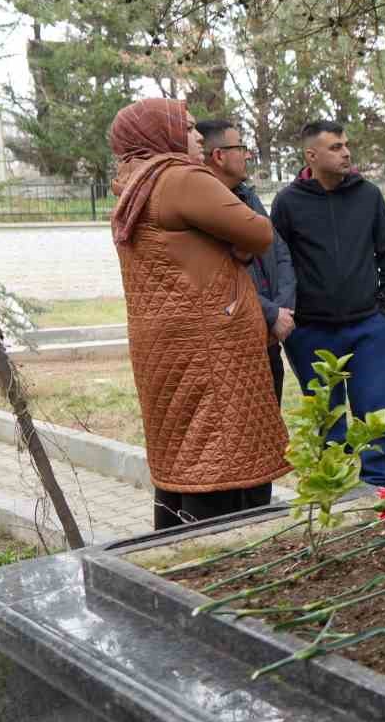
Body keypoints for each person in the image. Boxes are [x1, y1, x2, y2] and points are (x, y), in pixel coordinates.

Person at [108, 98, 289, 530]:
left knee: (183, 451)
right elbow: (260, 232)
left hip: (165, 346)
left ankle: (172, 552)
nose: (195, 138)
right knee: (220, 455)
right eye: (186, 128)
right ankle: (218, 560)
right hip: (210, 345)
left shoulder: (134, 181)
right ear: (160, 134)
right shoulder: (179, 177)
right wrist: (237, 245)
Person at [270, 121, 385, 488]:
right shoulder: (288, 203)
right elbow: (276, 260)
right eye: (335, 147)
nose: (346, 152)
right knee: (329, 424)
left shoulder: (368, 195)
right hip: (310, 333)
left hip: (368, 330)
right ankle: (338, 495)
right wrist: (289, 314)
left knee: (375, 417)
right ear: (311, 155)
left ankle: (378, 493)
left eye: (346, 145)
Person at [198, 118, 296, 401]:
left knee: (271, 433)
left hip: (269, 339)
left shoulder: (247, 196)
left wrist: (283, 309)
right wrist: (270, 313)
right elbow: (217, 276)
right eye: (241, 147)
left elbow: (280, 252)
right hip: (234, 343)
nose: (248, 155)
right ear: (219, 155)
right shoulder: (202, 206)